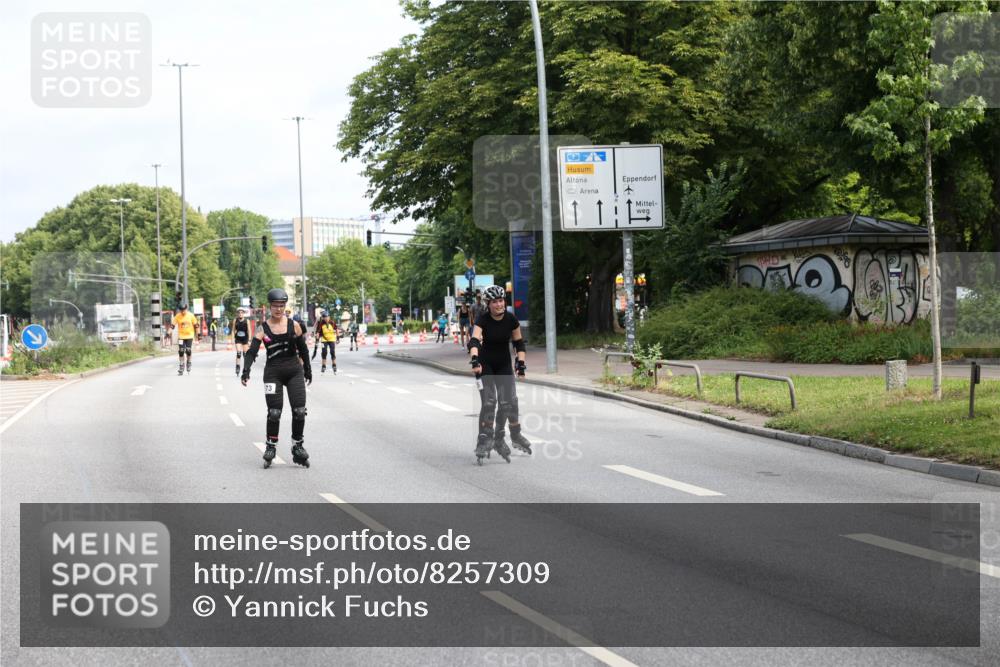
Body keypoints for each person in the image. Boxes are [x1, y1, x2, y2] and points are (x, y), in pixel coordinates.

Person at [240, 288, 312, 468]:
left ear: (285, 307)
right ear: (270, 307)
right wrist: (246, 370)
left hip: (294, 370)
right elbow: (252, 352)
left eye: (281, 306)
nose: (278, 309)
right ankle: (271, 446)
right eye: (275, 306)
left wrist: (308, 370)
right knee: (274, 412)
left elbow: (303, 349)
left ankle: (297, 446)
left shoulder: (294, 325)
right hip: (273, 373)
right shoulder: (262, 328)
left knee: (299, 411)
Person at [468, 284, 531, 464]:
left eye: (501, 300)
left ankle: (510, 435)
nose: (498, 304)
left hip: (503, 364)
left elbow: (519, 344)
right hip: (485, 365)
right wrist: (475, 360)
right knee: (489, 403)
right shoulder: (483, 319)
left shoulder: (511, 319)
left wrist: (520, 364)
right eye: (494, 301)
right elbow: (474, 340)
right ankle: (483, 440)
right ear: (488, 304)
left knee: (509, 402)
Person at [172, 303, 198, 375]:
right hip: (181, 337)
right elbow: (172, 325)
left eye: (184, 310)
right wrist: (168, 333)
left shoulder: (191, 315)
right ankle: (181, 366)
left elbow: (196, 326)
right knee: (181, 351)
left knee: (188, 350)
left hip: (189, 336)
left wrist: (198, 335)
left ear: (186, 309)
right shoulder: (178, 316)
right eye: (181, 311)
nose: (183, 312)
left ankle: (189, 362)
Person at [233, 309, 251, 376]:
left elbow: (249, 331)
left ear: (244, 314)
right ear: (237, 314)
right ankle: (237, 367)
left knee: (245, 354)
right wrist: (232, 339)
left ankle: (245, 368)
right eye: (239, 313)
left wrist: (249, 340)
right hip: (238, 338)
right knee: (238, 353)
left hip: (245, 339)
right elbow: (233, 330)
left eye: (242, 313)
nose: (240, 314)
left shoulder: (247, 321)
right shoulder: (235, 320)